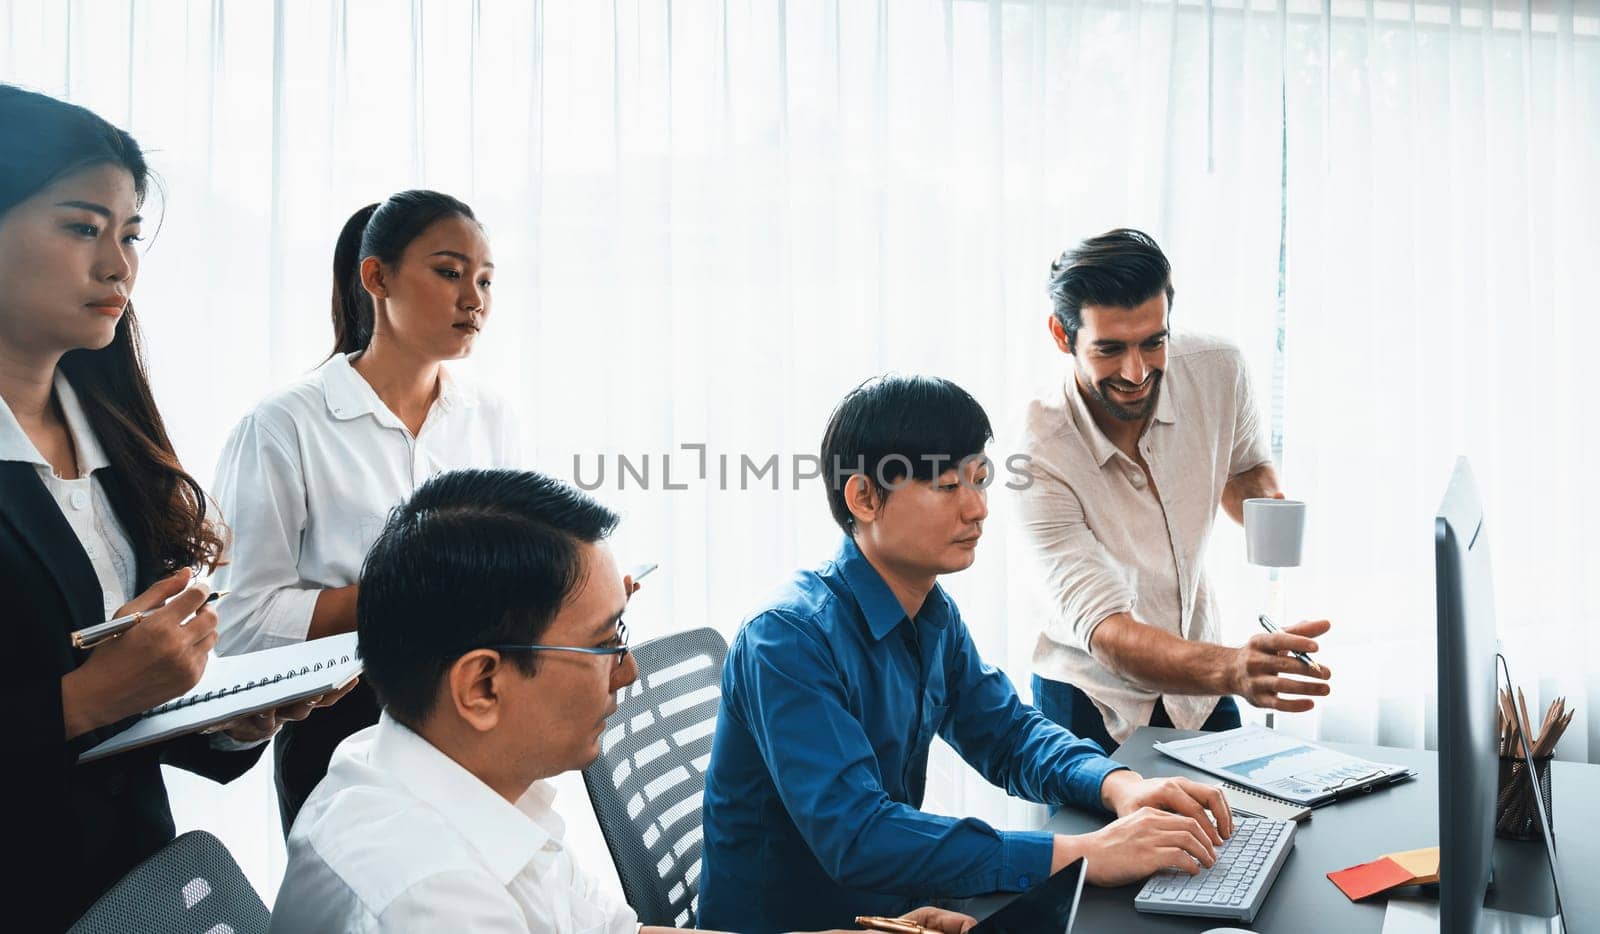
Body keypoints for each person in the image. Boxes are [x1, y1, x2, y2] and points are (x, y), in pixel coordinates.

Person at [271, 468, 975, 934]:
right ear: (482, 685)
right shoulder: (428, 900)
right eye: (605, 643)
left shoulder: (450, 769)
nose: (629, 670)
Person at [698, 375, 1235, 934]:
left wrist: (1120, 785)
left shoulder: (931, 611)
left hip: (893, 913)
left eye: (980, 480)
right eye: (947, 486)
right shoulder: (788, 638)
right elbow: (858, 836)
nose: (977, 509)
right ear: (863, 497)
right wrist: (1082, 855)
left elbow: (1006, 733)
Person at [0, 85, 341, 931]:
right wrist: (86, 700)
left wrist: (229, 715)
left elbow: (130, 713)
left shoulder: (117, 446)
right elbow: (86, 703)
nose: (119, 266)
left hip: (132, 891)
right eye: (82, 228)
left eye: (129, 234)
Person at [211, 190, 523, 831]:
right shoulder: (282, 426)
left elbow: (508, 559)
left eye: (486, 279)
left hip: (475, 718)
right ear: (376, 277)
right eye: (449, 272)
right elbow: (241, 625)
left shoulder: (490, 417)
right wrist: (409, 587)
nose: (475, 299)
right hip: (342, 726)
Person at [1014, 228, 1333, 753]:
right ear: (1060, 334)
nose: (1137, 371)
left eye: (1153, 342)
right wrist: (1236, 668)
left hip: (1200, 679)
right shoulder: (1037, 454)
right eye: (1110, 349)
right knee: (1119, 836)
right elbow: (1109, 633)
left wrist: (1269, 510)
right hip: (1092, 694)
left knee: (1246, 828)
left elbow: (1242, 468)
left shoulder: (1217, 370)